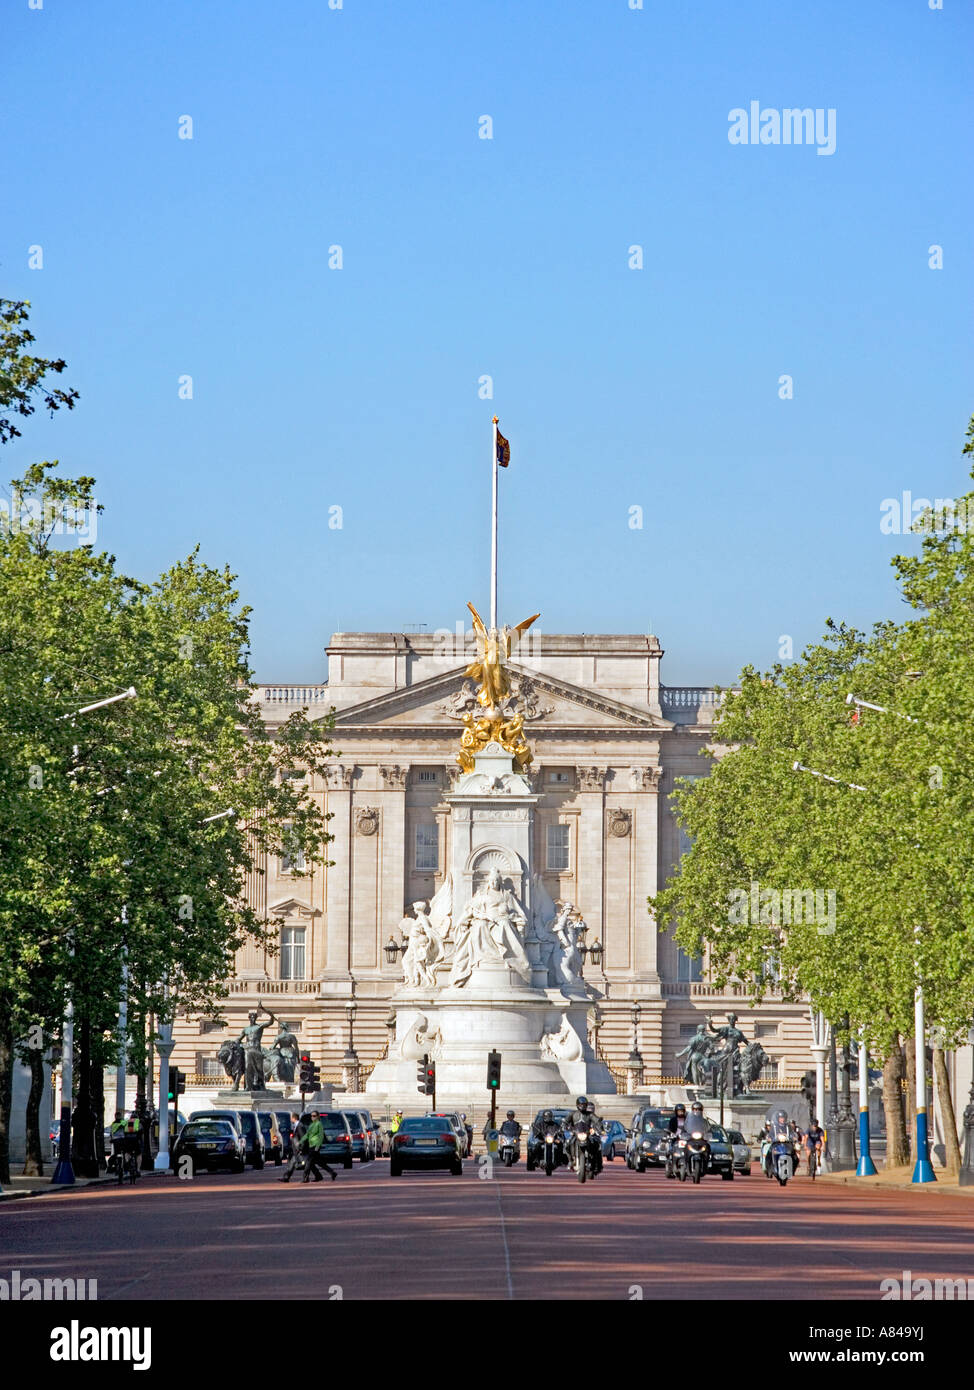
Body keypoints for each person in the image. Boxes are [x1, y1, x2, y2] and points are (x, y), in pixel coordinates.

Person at [302, 1111, 337, 1183]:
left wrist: (317, 1146)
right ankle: (330, 1173)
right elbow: (307, 1135)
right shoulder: (312, 1125)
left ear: (318, 1117)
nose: (312, 1117)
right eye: (311, 1116)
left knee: (308, 1161)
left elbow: (321, 1136)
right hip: (311, 1145)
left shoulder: (319, 1124)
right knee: (319, 1162)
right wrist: (300, 1141)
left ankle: (305, 1177)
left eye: (314, 1116)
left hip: (315, 1146)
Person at [279, 1112, 306, 1182]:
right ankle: (286, 1177)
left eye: (291, 1117)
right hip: (295, 1149)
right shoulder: (296, 1125)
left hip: (299, 1149)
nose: (290, 1119)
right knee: (292, 1163)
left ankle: (309, 1177)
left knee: (306, 1164)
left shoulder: (299, 1126)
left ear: (294, 1118)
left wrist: (301, 1148)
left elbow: (302, 1137)